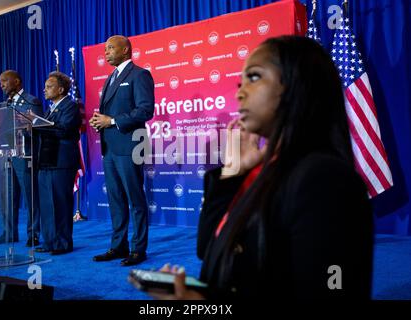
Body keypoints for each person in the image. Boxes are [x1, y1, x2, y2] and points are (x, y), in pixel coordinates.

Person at [152, 36, 373, 299]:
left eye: (254, 77)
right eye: (239, 82)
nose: (239, 92)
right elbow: (208, 249)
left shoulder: (324, 180)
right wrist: (232, 173)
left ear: (297, 83)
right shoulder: (265, 171)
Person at [89, 35, 154, 266]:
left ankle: (138, 249)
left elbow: (146, 110)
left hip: (130, 145)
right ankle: (118, 246)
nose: (105, 52)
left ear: (125, 50)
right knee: (116, 199)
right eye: (104, 48)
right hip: (110, 148)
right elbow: (108, 113)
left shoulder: (140, 75)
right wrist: (99, 121)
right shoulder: (110, 78)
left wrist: (112, 121)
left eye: (110, 48)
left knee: (135, 199)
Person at [0, 70, 42, 247]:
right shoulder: (6, 103)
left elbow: (36, 128)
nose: (1, 84)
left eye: (4, 81)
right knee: (8, 198)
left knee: (30, 196)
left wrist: (26, 125)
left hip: (24, 155)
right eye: (0, 81)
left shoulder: (31, 101)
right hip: (6, 157)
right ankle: (9, 233)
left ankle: (33, 234)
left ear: (17, 81)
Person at [34, 71, 81, 255]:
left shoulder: (70, 106)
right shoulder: (51, 108)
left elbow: (63, 130)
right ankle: (50, 242)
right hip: (46, 161)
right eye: (45, 86)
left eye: (49, 86)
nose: (44, 90)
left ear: (61, 89)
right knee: (46, 204)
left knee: (60, 204)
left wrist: (37, 124)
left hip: (61, 161)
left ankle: (62, 243)